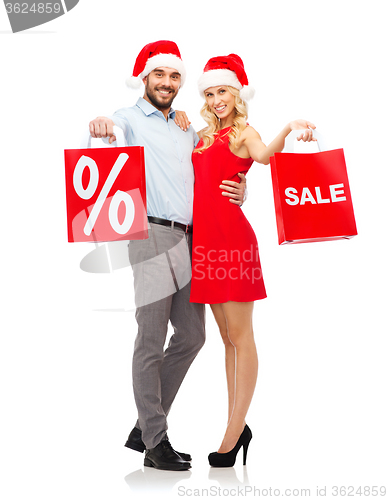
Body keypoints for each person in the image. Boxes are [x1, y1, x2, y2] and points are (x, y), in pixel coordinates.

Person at [88, 41, 246, 471]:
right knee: (151, 338)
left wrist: (241, 190)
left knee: (193, 336)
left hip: (192, 238)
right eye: (160, 75)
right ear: (145, 78)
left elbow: (210, 170)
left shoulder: (184, 126)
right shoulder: (127, 120)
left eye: (175, 76)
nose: (167, 83)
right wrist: (101, 125)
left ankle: (145, 424)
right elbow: (108, 140)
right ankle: (155, 442)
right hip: (152, 233)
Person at [189, 53, 316, 467]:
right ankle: (235, 422)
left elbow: (263, 158)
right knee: (226, 339)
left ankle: (234, 429)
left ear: (236, 93)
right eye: (209, 93)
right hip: (204, 245)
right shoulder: (203, 136)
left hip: (232, 241)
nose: (216, 98)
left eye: (222, 90)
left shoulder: (245, 132)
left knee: (242, 337)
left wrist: (287, 129)